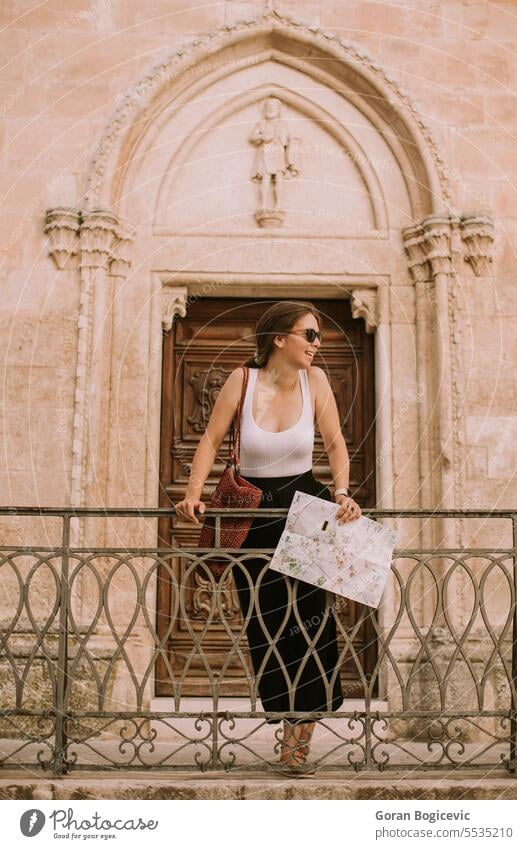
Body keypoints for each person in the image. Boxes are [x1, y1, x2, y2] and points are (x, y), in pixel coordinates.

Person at [175, 301, 362, 775]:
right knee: (268, 625)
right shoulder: (243, 379)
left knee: (313, 625)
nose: (317, 345)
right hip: (253, 512)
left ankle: (299, 743)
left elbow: (336, 442)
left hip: (306, 506)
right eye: (310, 335)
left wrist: (343, 492)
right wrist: (193, 494)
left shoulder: (315, 382)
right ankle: (284, 723)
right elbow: (211, 440)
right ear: (280, 338)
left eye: (318, 337)